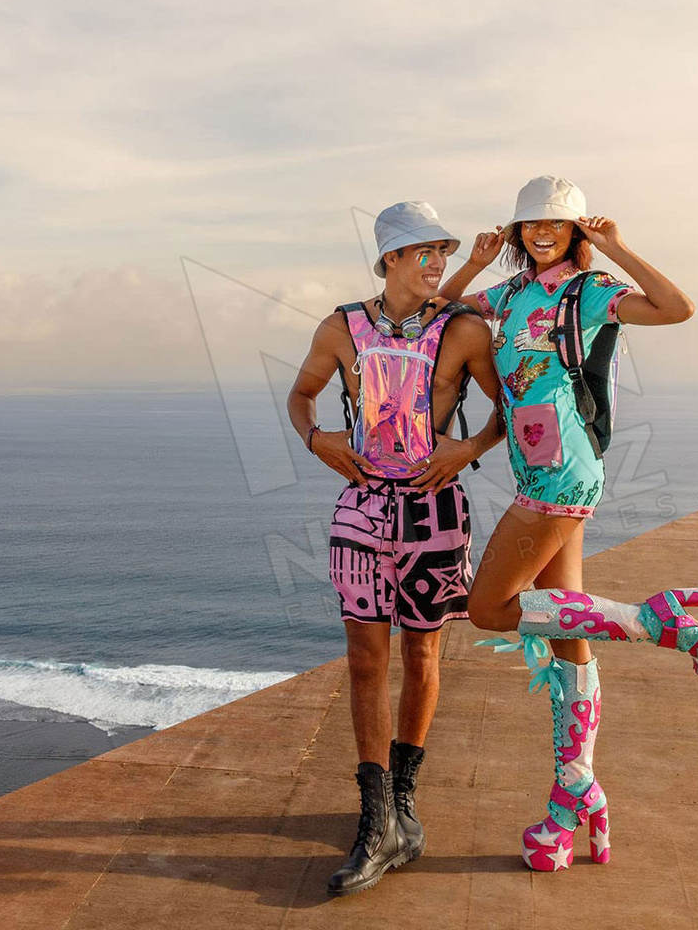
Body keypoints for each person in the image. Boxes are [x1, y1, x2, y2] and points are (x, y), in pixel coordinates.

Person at [438, 175, 698, 871]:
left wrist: (619, 248)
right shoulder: (509, 296)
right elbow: (439, 312)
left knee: (487, 608)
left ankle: (659, 622)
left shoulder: (593, 291)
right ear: (518, 232)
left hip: (564, 473)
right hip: (533, 469)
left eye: (556, 223)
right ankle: (574, 793)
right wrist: (477, 262)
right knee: (568, 634)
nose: (541, 233)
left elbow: (677, 308)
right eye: (530, 224)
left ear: (577, 230)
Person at [287, 200, 504, 895]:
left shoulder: (465, 329)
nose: (437, 262)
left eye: (443, 251)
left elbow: (511, 408)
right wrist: (315, 438)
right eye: (423, 252)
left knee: (422, 655)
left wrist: (469, 446)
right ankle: (375, 816)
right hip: (362, 510)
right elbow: (301, 394)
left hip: (435, 511)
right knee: (363, 661)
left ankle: (402, 806)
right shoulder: (340, 326)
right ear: (389, 259)